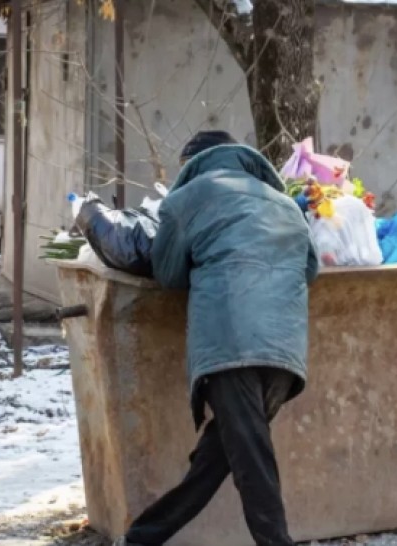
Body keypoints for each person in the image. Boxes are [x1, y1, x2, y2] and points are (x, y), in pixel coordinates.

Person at [115, 131, 319, 546]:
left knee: (252, 463)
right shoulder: (282, 203)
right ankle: (142, 537)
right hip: (284, 350)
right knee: (219, 458)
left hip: (231, 345)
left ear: (193, 163)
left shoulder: (185, 200)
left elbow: (168, 274)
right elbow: (310, 268)